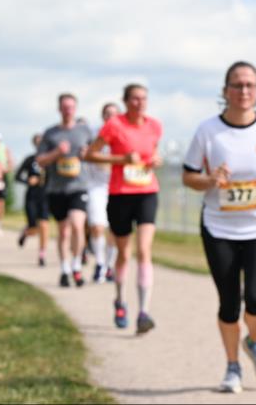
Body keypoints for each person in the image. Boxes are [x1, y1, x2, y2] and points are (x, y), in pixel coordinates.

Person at [182, 61, 256, 393]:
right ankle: (232, 368)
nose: (244, 91)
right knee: (229, 303)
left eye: (250, 85)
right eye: (237, 85)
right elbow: (188, 176)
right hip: (219, 229)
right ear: (225, 91)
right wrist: (210, 180)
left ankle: (254, 344)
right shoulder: (207, 131)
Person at [86, 87, 162, 333]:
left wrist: (156, 160)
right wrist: (121, 160)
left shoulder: (154, 126)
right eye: (135, 99)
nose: (140, 103)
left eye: (144, 98)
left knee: (144, 249)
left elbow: (152, 153)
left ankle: (144, 312)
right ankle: (119, 300)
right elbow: (91, 155)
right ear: (126, 101)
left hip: (147, 191)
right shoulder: (114, 125)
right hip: (120, 194)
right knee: (124, 253)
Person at [37, 93, 95, 288]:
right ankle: (64, 269)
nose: (68, 110)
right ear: (59, 109)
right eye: (65, 107)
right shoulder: (51, 134)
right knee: (63, 232)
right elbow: (40, 161)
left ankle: (77, 266)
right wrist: (56, 153)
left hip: (79, 186)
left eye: (71, 107)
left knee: (78, 225)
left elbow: (96, 153)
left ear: (75, 109)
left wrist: (88, 153)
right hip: (57, 188)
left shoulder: (85, 131)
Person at [86, 105, 120, 284]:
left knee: (115, 230)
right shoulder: (94, 134)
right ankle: (99, 262)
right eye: (107, 114)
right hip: (96, 186)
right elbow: (85, 153)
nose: (111, 118)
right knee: (97, 226)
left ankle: (109, 265)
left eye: (114, 114)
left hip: (116, 186)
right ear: (102, 116)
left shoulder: (123, 135)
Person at [15, 134, 50, 266]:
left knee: (44, 225)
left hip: (45, 196)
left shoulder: (50, 160)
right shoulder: (29, 160)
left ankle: (42, 254)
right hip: (32, 196)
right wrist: (28, 181)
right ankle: (26, 232)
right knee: (33, 229)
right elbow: (17, 176)